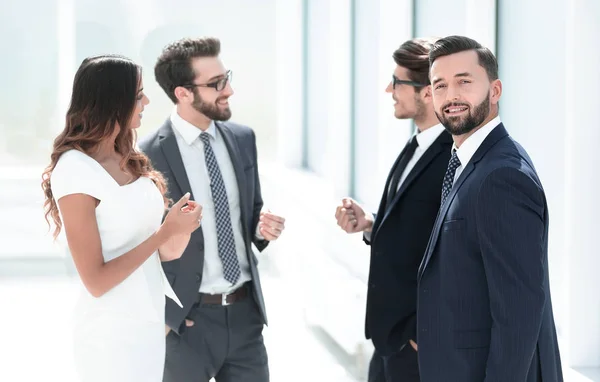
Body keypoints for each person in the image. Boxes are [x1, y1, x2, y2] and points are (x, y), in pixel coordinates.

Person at [41, 54, 202, 382]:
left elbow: (165, 254)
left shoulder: (129, 158)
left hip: (149, 326)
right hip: (109, 335)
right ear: (111, 100)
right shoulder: (74, 170)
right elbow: (96, 282)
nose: (146, 100)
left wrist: (180, 229)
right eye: (137, 93)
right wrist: (163, 232)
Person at [416, 35, 563, 382]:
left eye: (464, 82)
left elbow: (519, 313)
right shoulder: (471, 161)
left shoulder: (502, 176)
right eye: (440, 85)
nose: (451, 95)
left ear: (494, 91)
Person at [138, 36, 285, 382]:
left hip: (246, 317)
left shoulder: (243, 138)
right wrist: (166, 317)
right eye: (216, 83)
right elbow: (141, 245)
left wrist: (262, 231)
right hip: (187, 325)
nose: (229, 90)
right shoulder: (147, 157)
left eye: (227, 77)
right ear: (183, 93)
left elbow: (248, 217)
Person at [334, 37, 452, 382]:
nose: (389, 89)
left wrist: (422, 330)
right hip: (389, 339)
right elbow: (416, 231)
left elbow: (455, 252)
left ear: (427, 92)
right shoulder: (416, 145)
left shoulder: (452, 158)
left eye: (397, 81)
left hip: (418, 342)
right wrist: (370, 223)